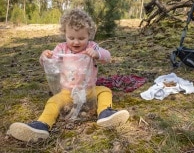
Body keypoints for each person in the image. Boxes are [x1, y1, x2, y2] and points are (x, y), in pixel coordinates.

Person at [7, 8, 130, 143]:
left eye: (81, 38)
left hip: (89, 91)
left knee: (105, 91)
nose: (76, 42)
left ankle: (105, 114)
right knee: (53, 101)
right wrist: (44, 57)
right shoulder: (61, 48)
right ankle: (42, 125)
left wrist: (98, 54)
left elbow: (107, 57)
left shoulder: (92, 47)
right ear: (64, 34)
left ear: (89, 35)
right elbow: (50, 63)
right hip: (67, 93)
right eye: (71, 38)